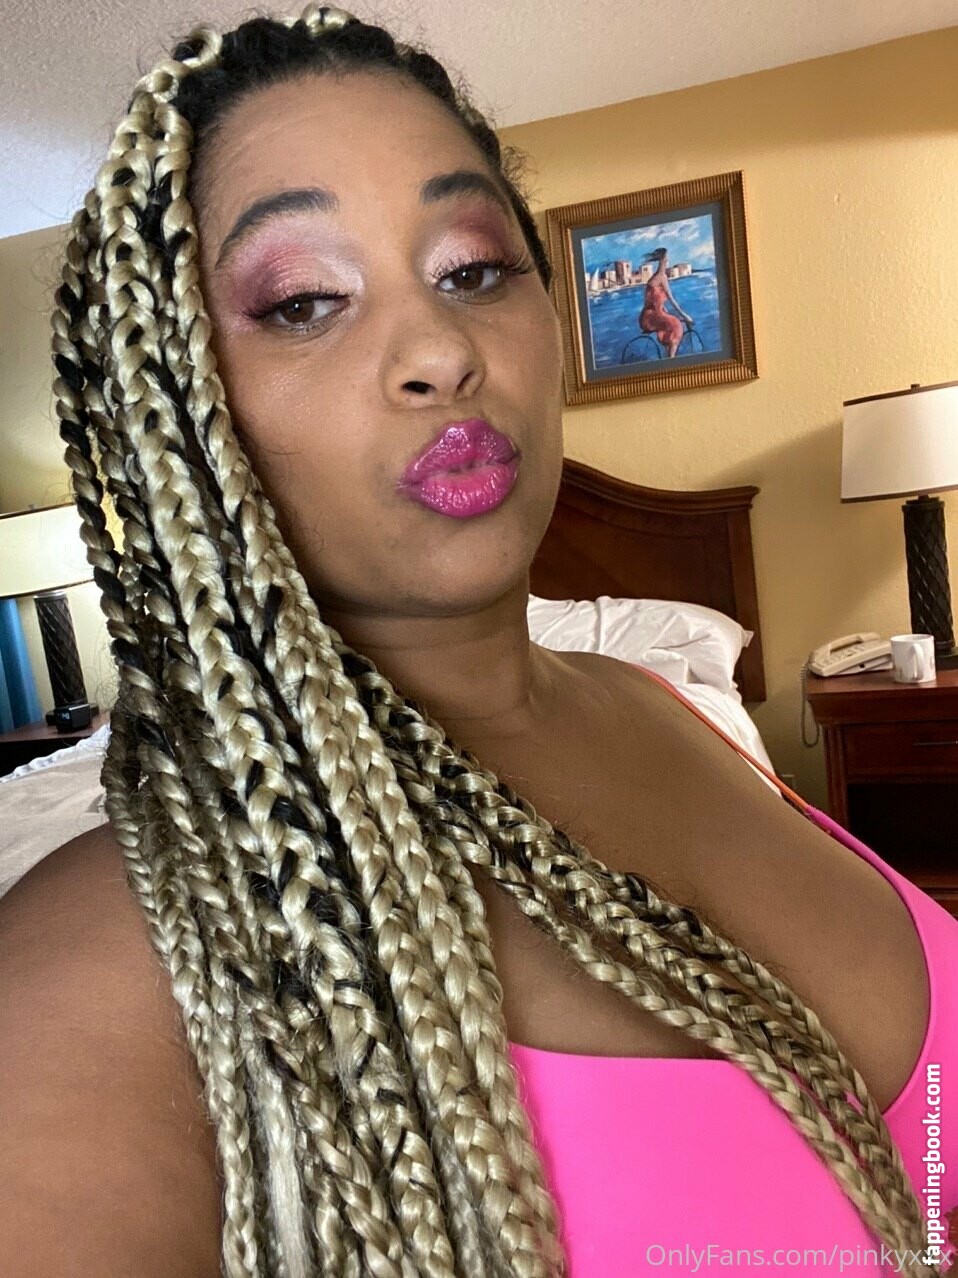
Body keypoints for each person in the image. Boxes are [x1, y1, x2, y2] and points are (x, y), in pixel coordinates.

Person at [0, 7, 955, 1277]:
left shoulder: (659, 703)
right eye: (303, 301)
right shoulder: (111, 959)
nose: (441, 353)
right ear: (173, 408)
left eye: (471, 269)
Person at [637, 246, 695, 357]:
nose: (668, 260)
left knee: (671, 321)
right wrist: (685, 316)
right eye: (667, 258)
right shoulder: (662, 277)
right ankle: (671, 358)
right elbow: (671, 299)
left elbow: (653, 303)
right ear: (663, 260)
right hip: (653, 317)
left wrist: (666, 313)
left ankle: (667, 354)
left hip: (646, 317)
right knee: (676, 325)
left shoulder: (653, 278)